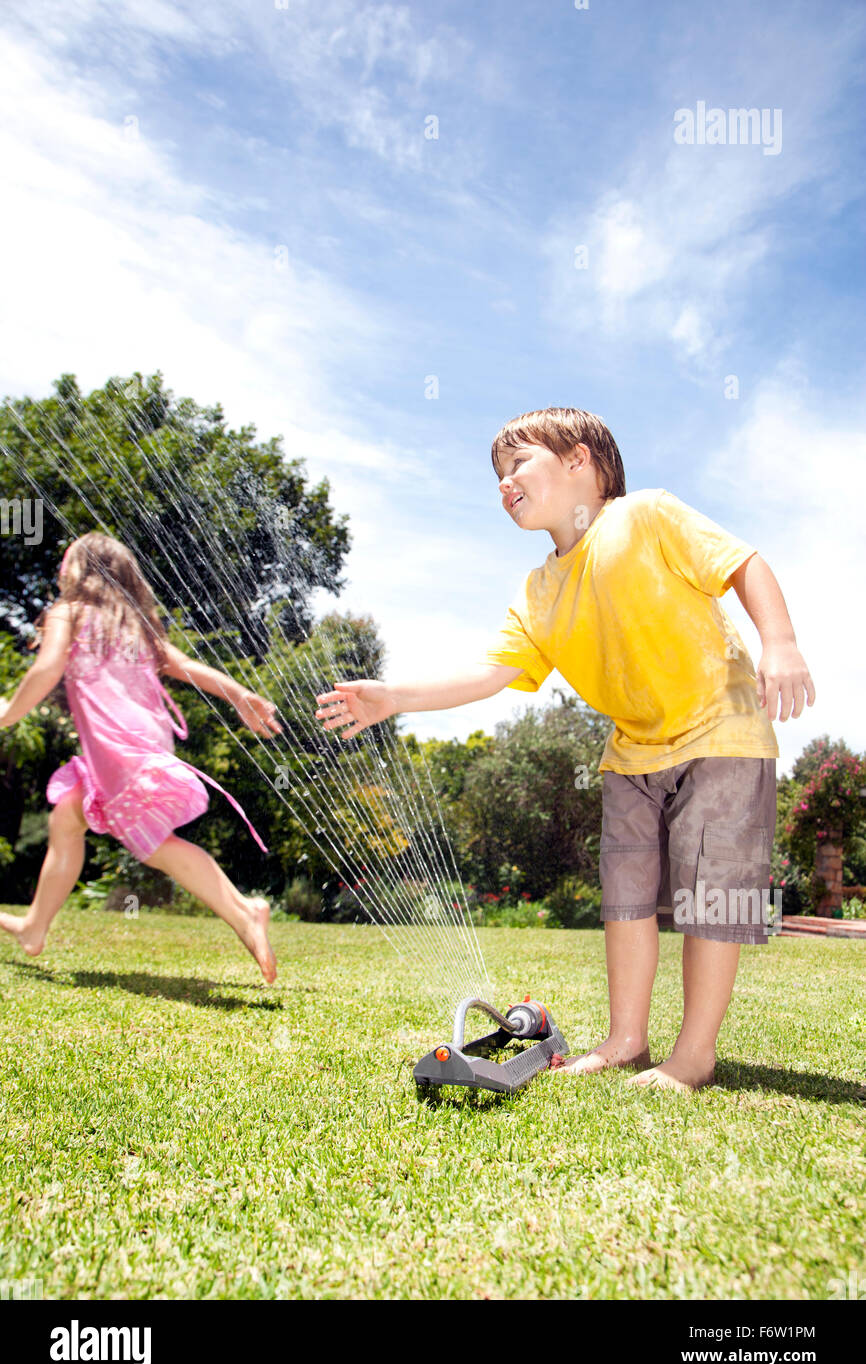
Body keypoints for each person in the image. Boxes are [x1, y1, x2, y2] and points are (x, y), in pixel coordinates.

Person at [313, 407, 816, 1092]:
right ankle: (626, 1040)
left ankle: (694, 1054)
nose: (504, 482)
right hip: (632, 753)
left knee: (714, 901)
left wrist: (779, 642)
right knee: (626, 901)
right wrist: (395, 696)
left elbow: (743, 563)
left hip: (721, 733)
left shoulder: (646, 515)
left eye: (518, 463)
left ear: (580, 460)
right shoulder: (539, 590)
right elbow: (491, 673)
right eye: (497, 474)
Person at [0, 532, 281, 982]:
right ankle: (34, 926)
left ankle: (244, 910)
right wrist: (239, 693)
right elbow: (185, 666)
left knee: (154, 846)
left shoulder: (68, 612)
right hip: (140, 746)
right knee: (67, 818)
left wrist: (8, 714)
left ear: (77, 572)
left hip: (117, 753)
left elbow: (47, 668)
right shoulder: (134, 625)